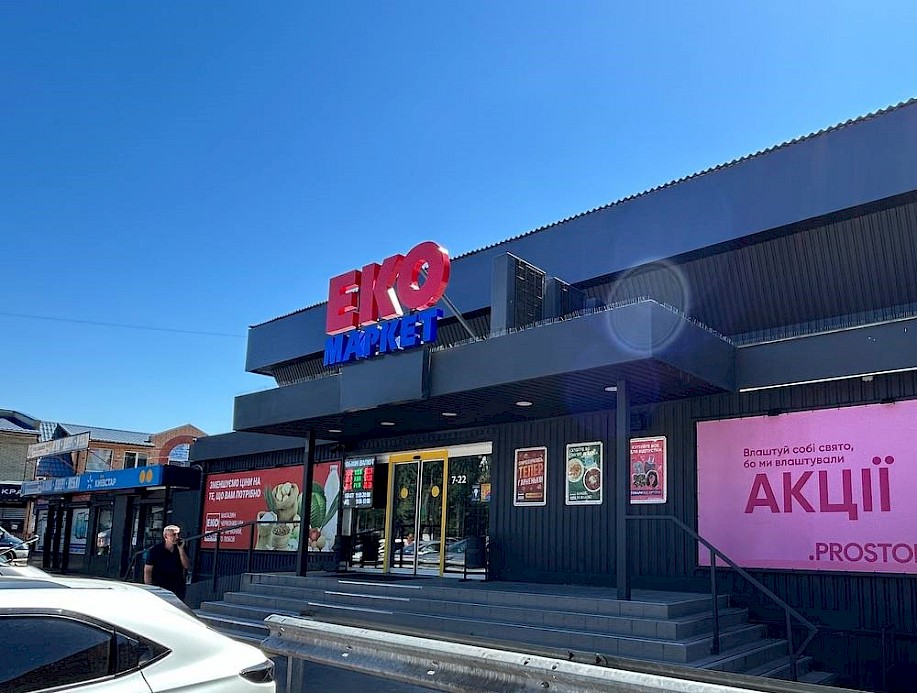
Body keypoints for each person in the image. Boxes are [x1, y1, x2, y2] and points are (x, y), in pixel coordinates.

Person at [144, 525, 190, 599]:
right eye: (174, 535)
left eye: (178, 534)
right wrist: (149, 586)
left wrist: (181, 549)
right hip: (160, 585)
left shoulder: (181, 548)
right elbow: (148, 570)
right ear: (166, 536)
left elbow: (186, 566)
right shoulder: (155, 550)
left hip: (177, 585)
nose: (177, 537)